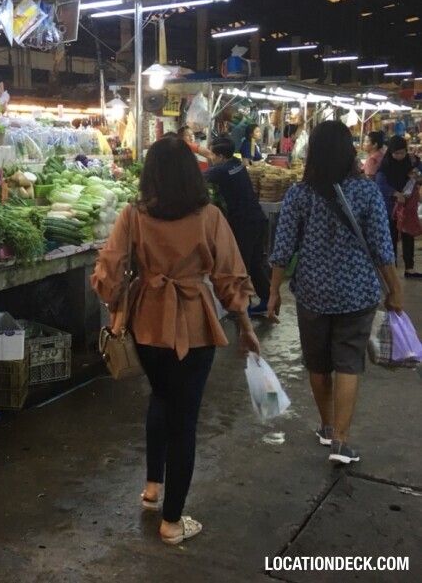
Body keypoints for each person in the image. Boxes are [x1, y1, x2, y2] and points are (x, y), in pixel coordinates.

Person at [91, 136, 260, 546]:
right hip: (194, 323)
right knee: (184, 419)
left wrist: (118, 301)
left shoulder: (133, 216)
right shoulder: (210, 217)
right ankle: (171, 522)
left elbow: (108, 275)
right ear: (192, 173)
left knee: (161, 398)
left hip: (147, 324)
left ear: (150, 176)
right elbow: (229, 277)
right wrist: (246, 325)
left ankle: (152, 488)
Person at [268, 121, 403, 465]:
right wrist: (395, 290)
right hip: (357, 292)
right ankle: (341, 442)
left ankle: (327, 426)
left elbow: (282, 249)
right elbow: (383, 249)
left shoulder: (299, 194)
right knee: (348, 363)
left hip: (313, 292)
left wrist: (273, 293)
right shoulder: (367, 192)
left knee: (318, 362)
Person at [205, 137, 273, 317]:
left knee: (240, 265)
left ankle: (242, 306)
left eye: (212, 154)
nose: (210, 157)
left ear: (220, 156)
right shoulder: (237, 164)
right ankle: (266, 299)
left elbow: (196, 179)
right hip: (257, 218)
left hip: (244, 223)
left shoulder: (221, 171)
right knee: (255, 262)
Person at [375, 135, 422, 278]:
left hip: (407, 206)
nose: (400, 156)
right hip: (390, 206)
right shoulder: (385, 165)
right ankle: (392, 268)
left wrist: (418, 176)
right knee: (391, 236)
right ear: (391, 152)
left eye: (402, 152)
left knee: (408, 234)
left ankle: (409, 268)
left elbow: (420, 174)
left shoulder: (413, 160)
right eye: (396, 153)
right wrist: (395, 194)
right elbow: (381, 183)